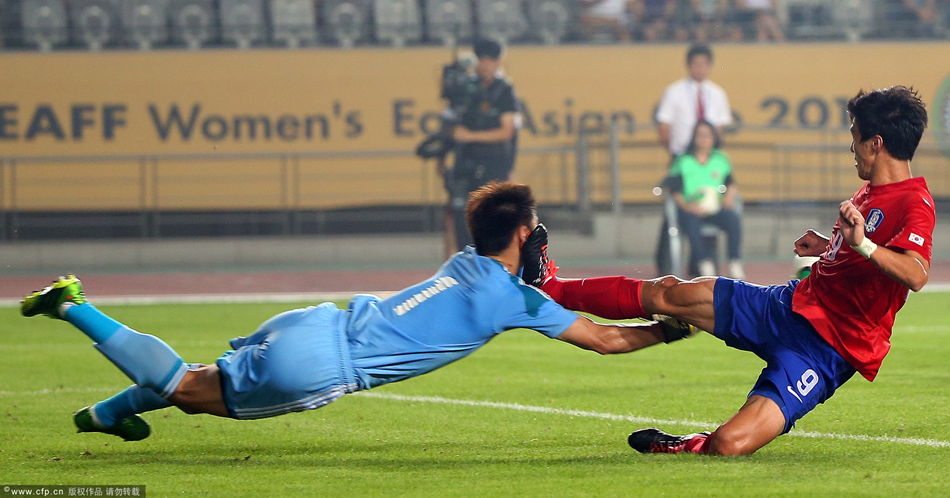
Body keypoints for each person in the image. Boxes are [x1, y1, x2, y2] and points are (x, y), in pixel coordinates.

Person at [20, 182, 696, 442]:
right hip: (324, 360)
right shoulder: (511, 298)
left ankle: (108, 413)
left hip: (315, 321)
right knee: (192, 390)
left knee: (211, 378)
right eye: (537, 226)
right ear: (521, 235)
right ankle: (73, 305)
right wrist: (668, 330)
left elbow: (506, 268)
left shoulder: (464, 261)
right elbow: (606, 341)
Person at [522, 86, 934, 455]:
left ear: (875, 143)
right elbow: (865, 262)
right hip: (787, 306)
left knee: (731, 444)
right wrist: (830, 247)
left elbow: (915, 274)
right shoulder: (868, 191)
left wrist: (860, 242)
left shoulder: (915, 204)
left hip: (826, 350)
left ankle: (689, 444)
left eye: (855, 139)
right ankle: (550, 285)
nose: (852, 149)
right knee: (671, 292)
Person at [654, 44, 733, 275]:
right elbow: (664, 126)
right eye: (695, 63)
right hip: (682, 158)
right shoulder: (674, 92)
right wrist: (679, 154)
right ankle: (665, 266)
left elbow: (719, 129)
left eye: (704, 63)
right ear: (689, 65)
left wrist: (710, 156)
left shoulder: (717, 94)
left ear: (709, 66)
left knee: (710, 207)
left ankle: (702, 265)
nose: (700, 68)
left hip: (707, 160)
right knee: (675, 214)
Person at [447, 38, 519, 251]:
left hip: (494, 163)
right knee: (463, 216)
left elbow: (506, 131)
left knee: (492, 217)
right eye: (482, 60)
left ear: (497, 63)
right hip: (467, 162)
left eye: (490, 60)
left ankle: (494, 264)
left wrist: (469, 136)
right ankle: (464, 261)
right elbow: (452, 120)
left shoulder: (504, 90)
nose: (484, 65)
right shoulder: (468, 89)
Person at [668, 120, 744, 278]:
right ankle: (704, 264)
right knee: (691, 222)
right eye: (700, 135)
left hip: (715, 209)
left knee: (733, 219)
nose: (704, 139)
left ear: (714, 138)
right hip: (691, 209)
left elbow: (730, 183)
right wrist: (687, 206)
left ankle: (734, 262)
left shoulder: (721, 159)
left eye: (708, 135)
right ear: (694, 138)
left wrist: (729, 196)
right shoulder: (683, 161)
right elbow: (674, 189)